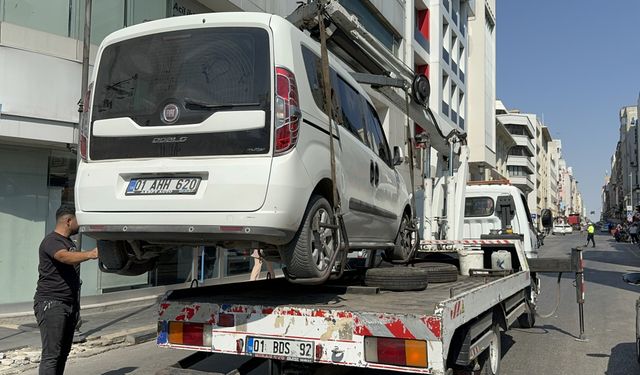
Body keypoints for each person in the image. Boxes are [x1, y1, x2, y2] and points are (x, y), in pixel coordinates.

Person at [34, 205, 98, 375]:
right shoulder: (52, 241)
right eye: (78, 220)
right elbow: (63, 256)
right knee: (51, 355)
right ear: (69, 221)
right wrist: (91, 254)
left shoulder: (68, 242)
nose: (80, 225)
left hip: (69, 305)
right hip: (52, 303)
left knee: (63, 352)